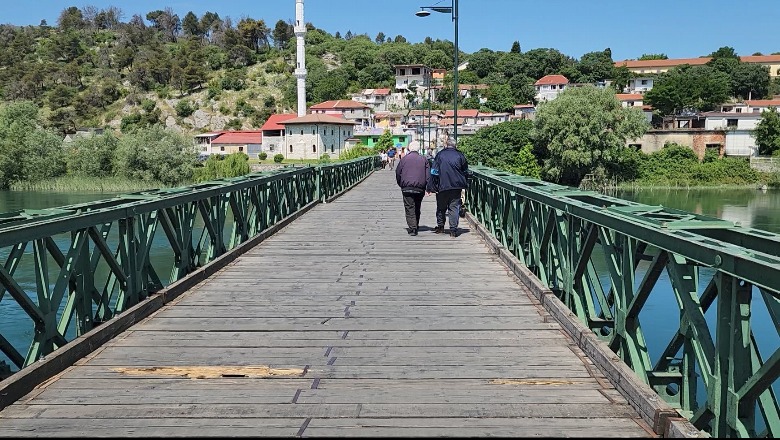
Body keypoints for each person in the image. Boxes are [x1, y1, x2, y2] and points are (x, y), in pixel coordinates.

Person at [430, 137, 469, 238]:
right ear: (455, 145)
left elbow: (434, 171)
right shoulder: (460, 155)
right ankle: (453, 230)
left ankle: (441, 226)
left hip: (442, 185)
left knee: (441, 207)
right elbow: (465, 171)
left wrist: (433, 185)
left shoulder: (440, 155)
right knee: (454, 207)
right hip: (456, 186)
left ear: (446, 145)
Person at [395, 141, 429, 236]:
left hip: (406, 187)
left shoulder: (404, 159)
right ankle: (416, 224)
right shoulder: (424, 159)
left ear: (409, 148)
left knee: (409, 207)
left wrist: (400, 183)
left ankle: (412, 227)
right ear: (418, 149)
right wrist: (427, 187)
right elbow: (428, 175)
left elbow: (398, 172)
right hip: (420, 187)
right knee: (417, 206)